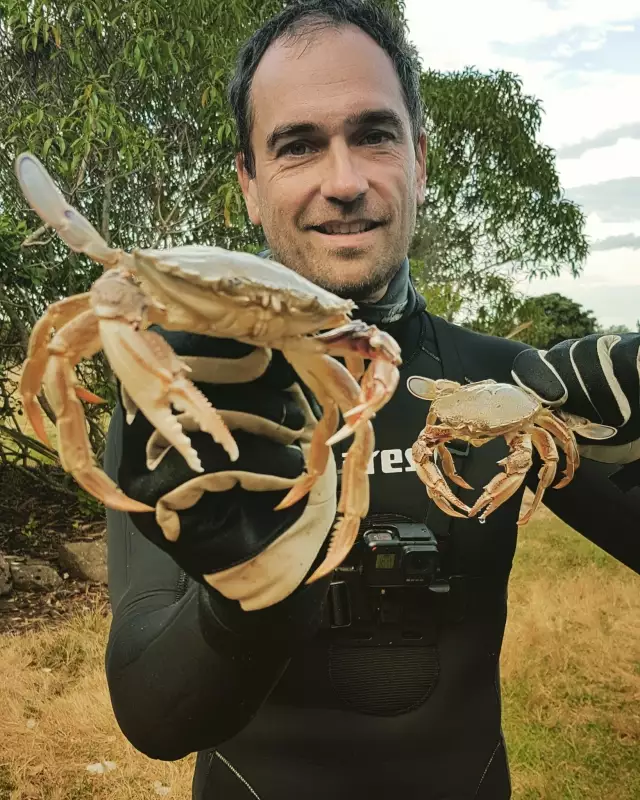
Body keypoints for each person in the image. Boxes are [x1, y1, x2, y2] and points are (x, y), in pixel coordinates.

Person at [103, 2, 640, 798]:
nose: (345, 181)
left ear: (419, 161)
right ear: (250, 186)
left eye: (376, 135)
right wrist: (248, 595)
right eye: (298, 146)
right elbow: (153, 714)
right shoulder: (184, 396)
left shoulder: (509, 383)